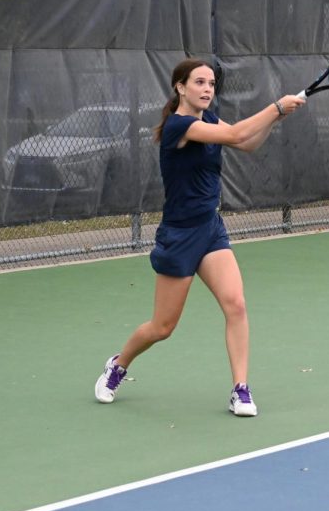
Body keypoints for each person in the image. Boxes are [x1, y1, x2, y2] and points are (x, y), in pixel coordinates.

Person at [94, 58, 307, 416]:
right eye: (200, 82)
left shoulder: (208, 118)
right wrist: (274, 107)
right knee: (163, 327)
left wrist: (274, 119)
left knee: (236, 305)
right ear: (180, 87)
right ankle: (118, 364)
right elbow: (238, 133)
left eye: (211, 83)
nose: (208, 89)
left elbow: (247, 144)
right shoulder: (180, 126)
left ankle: (240, 389)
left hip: (209, 229)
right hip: (179, 236)